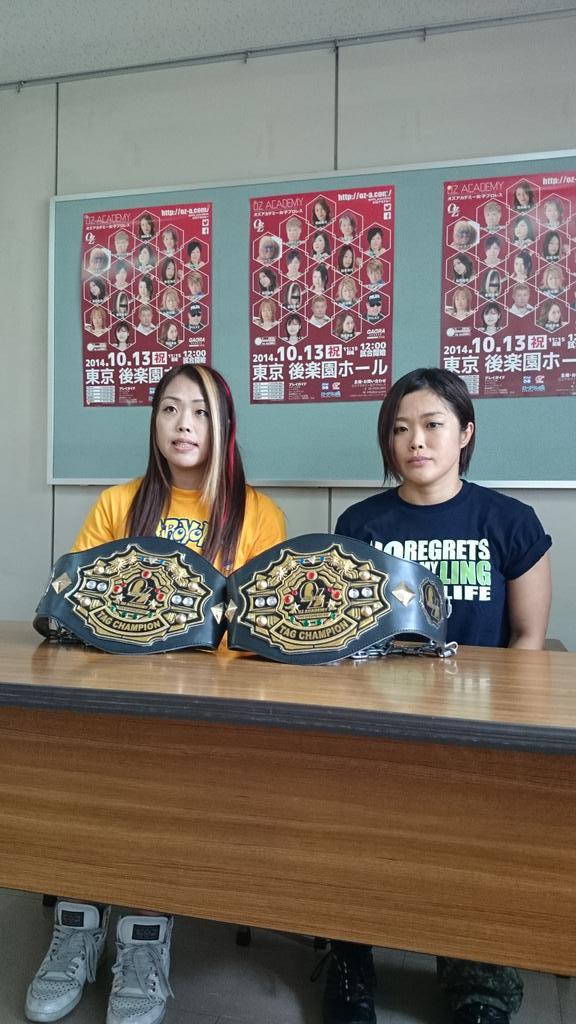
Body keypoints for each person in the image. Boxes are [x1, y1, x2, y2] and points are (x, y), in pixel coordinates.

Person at [24, 365, 286, 1024]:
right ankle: (77, 925)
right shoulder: (118, 504)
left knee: (157, 789)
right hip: (113, 696)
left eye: (199, 411)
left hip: (205, 710)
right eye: (169, 409)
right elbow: (74, 606)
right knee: (79, 773)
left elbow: (259, 633)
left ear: (224, 425)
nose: (183, 425)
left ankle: (144, 936)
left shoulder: (259, 515)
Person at [331, 366, 551, 1024]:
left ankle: (477, 976)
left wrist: (505, 734)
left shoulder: (510, 522)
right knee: (345, 820)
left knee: (481, 840)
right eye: (400, 429)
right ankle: (349, 958)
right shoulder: (361, 523)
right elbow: (345, 632)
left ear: (466, 433)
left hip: (477, 723)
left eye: (432, 425)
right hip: (381, 719)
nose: (416, 441)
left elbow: (529, 640)